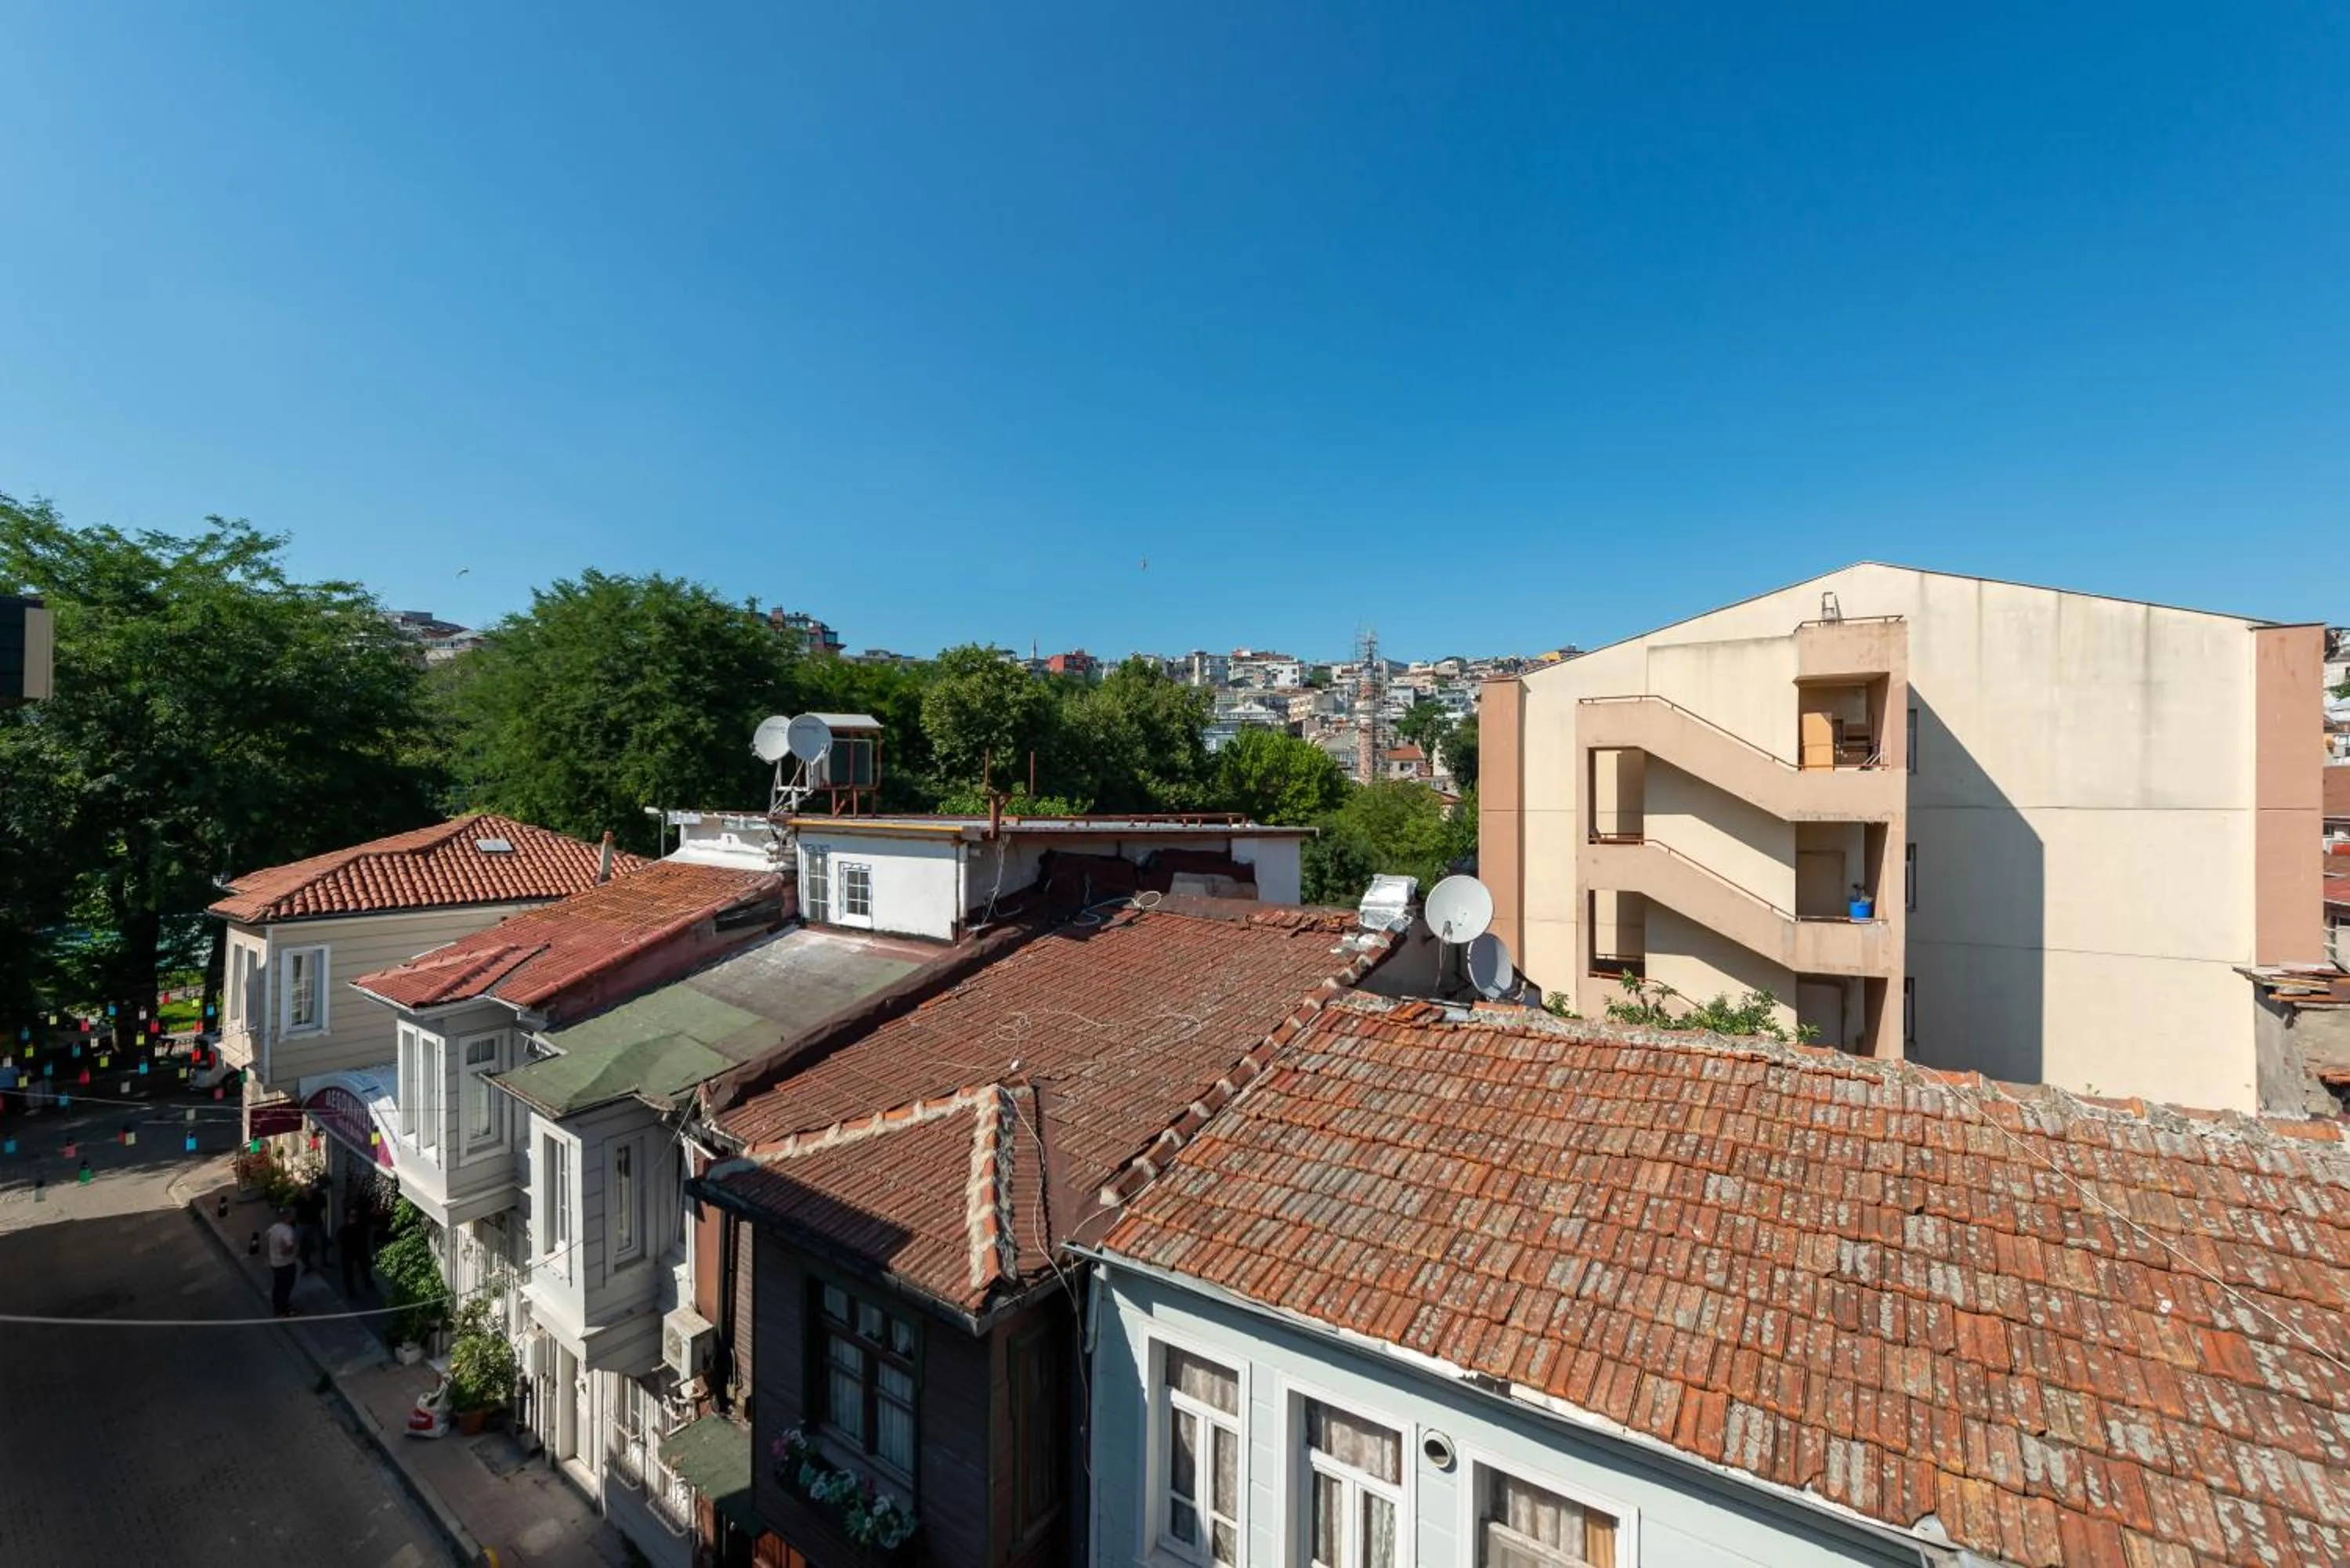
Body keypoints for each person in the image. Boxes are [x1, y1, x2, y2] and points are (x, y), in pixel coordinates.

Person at [266, 1208, 300, 1317]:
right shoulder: (287, 1231)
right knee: (286, 1287)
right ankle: (282, 1310)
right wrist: (292, 1251)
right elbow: (288, 1247)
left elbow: (267, 1235)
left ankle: (278, 1306)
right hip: (286, 1264)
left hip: (275, 1262)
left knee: (278, 1287)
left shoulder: (274, 1228)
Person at [336, 1201, 371, 1298]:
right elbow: (342, 1243)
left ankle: (368, 1284)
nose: (354, 1218)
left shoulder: (360, 1228)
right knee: (348, 1274)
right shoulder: (344, 1230)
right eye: (352, 1216)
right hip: (348, 1254)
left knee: (364, 1268)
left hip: (359, 1252)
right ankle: (351, 1291)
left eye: (355, 1216)